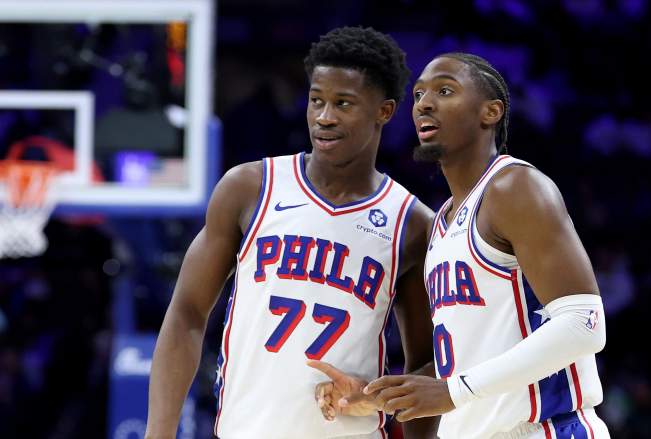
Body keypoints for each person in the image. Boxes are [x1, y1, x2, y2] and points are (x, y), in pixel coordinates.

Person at [143, 26, 438, 439]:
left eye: (343, 103)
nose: (324, 116)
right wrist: (159, 433)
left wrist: (374, 395)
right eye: (317, 100)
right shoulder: (250, 187)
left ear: (384, 111)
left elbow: (428, 366)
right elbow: (187, 313)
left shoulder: (413, 223)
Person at [314, 53, 610, 439]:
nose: (424, 103)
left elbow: (585, 326)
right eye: (418, 94)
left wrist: (453, 391)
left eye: (445, 90)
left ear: (491, 112)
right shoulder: (441, 223)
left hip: (543, 429)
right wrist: (376, 396)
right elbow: (466, 362)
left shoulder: (514, 187)